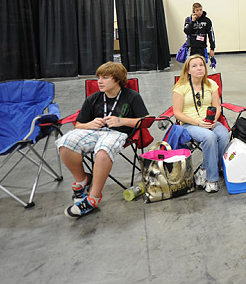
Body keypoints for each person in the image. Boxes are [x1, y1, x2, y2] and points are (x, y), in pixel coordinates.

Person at [56, 62, 149, 218]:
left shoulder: (131, 96)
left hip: (118, 133)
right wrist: (89, 124)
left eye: (105, 78)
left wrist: (122, 121)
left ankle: (93, 197)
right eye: (98, 77)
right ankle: (82, 180)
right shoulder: (93, 99)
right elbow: (78, 124)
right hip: (94, 131)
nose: (99, 81)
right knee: (65, 143)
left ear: (117, 80)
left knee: (102, 151)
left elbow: (146, 121)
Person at [172, 55, 230, 193]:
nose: (199, 68)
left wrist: (214, 119)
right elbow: (177, 113)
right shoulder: (180, 88)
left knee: (223, 135)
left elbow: (217, 107)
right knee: (209, 137)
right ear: (188, 71)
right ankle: (212, 179)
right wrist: (197, 123)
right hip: (190, 124)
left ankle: (204, 168)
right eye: (194, 66)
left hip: (210, 122)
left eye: (201, 65)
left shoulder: (211, 85)